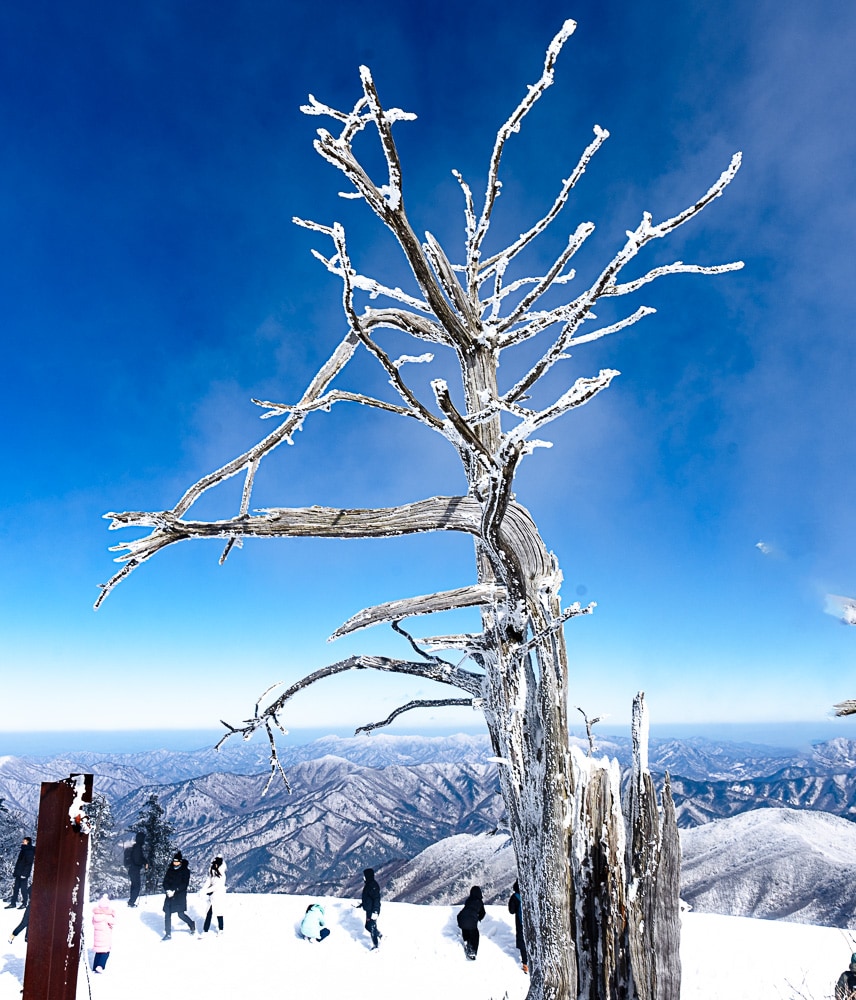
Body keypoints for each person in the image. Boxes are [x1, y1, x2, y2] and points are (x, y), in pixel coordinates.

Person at [162, 851, 195, 939]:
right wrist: (167, 890)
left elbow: (184, 884)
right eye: (174, 861)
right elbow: (165, 881)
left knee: (180, 914)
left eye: (177, 861)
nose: (175, 863)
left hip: (179, 896)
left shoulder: (185, 871)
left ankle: (191, 924)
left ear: (180, 862)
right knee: (167, 914)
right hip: (169, 895)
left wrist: (175, 891)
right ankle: (168, 933)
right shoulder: (170, 869)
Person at [457, 885, 486, 960]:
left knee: (466, 929)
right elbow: (483, 913)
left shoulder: (468, 900)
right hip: (471, 920)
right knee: (475, 934)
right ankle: (472, 952)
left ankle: (466, 942)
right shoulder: (479, 902)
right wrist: (478, 918)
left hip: (461, 918)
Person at [200, 855, 226, 935]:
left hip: (219, 897)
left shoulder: (222, 875)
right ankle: (205, 930)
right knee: (209, 913)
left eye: (216, 864)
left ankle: (221, 929)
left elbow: (216, 886)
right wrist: (203, 889)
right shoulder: (212, 873)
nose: (214, 865)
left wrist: (205, 891)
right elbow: (208, 882)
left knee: (219, 913)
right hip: (212, 897)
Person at [7, 837, 35, 909]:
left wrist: (24, 874)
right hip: (19, 873)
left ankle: (24, 903)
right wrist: (16, 872)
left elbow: (28, 864)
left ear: (28, 842)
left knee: (23, 889)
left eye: (25, 841)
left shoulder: (29, 851)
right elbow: (19, 863)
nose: (23, 841)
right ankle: (13, 903)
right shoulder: (23, 849)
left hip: (23, 874)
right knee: (15, 888)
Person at [508, 880, 528, 973]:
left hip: (520, 922)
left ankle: (525, 965)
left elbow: (511, 911)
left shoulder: (515, 897)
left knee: (522, 940)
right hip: (532, 922)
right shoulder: (530, 893)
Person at [91, 894, 116, 973]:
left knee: (98, 952)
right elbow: (113, 922)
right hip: (105, 937)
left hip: (97, 938)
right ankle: (100, 966)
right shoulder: (107, 916)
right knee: (105, 952)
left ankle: (95, 967)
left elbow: (93, 923)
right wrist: (112, 914)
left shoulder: (96, 916)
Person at [360, 868, 382, 949]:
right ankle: (379, 935)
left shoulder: (372, 885)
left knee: (371, 926)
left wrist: (375, 911)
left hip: (372, 910)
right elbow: (368, 897)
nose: (363, 877)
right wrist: (363, 904)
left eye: (364, 876)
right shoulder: (369, 884)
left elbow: (376, 899)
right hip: (369, 909)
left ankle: (375, 945)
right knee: (368, 926)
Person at [125, 831, 148, 907]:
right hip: (135, 869)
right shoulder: (138, 847)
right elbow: (137, 860)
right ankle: (131, 902)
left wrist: (144, 861)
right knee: (137, 886)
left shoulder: (135, 846)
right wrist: (144, 863)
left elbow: (138, 858)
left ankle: (131, 901)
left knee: (134, 885)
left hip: (131, 869)